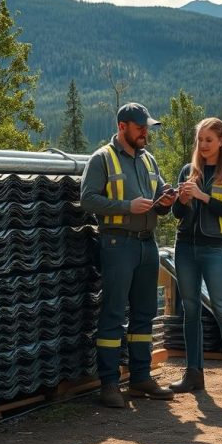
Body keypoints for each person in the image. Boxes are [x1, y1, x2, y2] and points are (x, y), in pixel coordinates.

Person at [80, 102, 179, 408]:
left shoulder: (148, 160)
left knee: (144, 314)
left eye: (147, 128)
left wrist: (168, 199)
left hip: (147, 245)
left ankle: (140, 378)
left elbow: (161, 201)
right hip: (117, 245)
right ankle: (109, 384)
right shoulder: (102, 159)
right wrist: (126, 207)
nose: (145, 133)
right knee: (112, 315)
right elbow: (87, 200)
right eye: (140, 128)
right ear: (122, 127)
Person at [168, 117, 222, 400]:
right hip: (185, 248)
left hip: (214, 249)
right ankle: (193, 375)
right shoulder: (188, 171)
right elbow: (177, 215)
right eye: (200, 140)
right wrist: (182, 201)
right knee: (190, 311)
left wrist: (202, 196)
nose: (203, 145)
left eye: (209, 140)